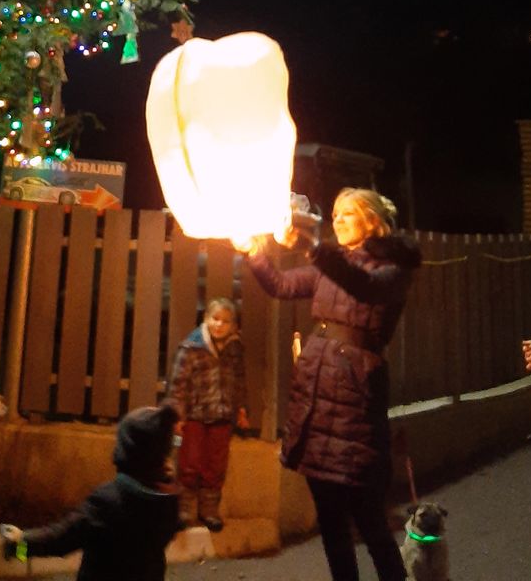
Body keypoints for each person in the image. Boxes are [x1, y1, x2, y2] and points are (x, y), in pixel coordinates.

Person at [236, 188, 422, 581]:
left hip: (355, 396)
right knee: (331, 521)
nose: (337, 220)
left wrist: (311, 245)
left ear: (371, 220)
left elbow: (362, 285)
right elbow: (282, 286)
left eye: (347, 214)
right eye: (334, 213)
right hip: (316, 392)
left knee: (368, 518)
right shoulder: (330, 262)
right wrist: (253, 252)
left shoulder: (393, 268)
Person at [0, 402, 181, 581]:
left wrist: (18, 545)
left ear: (127, 449)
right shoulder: (166, 501)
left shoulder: (109, 501)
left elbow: (61, 541)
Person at [166, 297, 249, 531]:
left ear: (234, 325)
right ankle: (183, 509)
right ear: (206, 319)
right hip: (194, 415)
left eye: (226, 321)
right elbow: (178, 384)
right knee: (189, 462)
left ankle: (209, 511)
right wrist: (177, 415)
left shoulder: (235, 348)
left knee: (215, 466)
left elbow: (239, 381)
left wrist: (242, 409)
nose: (220, 324)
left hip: (222, 415)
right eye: (215, 318)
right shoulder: (191, 347)